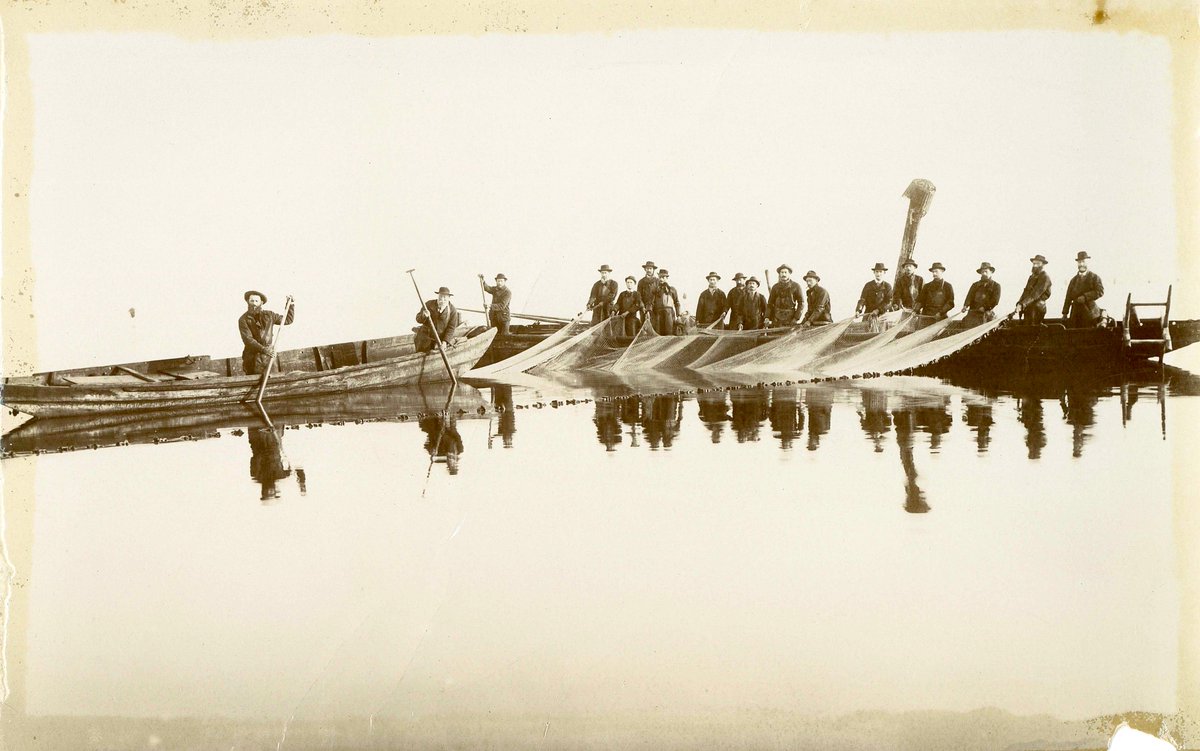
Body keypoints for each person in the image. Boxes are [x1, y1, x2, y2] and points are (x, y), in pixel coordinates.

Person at [239, 290, 295, 376]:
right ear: (247, 302)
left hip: (268, 357)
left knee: (273, 380)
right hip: (252, 358)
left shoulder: (270, 315)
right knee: (255, 381)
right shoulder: (243, 319)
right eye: (252, 301)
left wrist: (290, 305)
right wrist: (264, 350)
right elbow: (248, 340)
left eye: (256, 301)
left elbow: (287, 320)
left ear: (261, 303)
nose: (254, 303)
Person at [1062, 251, 1105, 328]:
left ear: (1087, 262)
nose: (1081, 264)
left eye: (1083, 262)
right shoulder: (1073, 280)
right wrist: (1065, 313)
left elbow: (1100, 291)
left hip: (1090, 314)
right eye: (1079, 262)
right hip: (1075, 315)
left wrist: (1085, 297)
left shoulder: (1094, 277)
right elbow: (1068, 297)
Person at [415, 286, 461, 353]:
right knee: (420, 355)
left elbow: (451, 328)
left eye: (445, 298)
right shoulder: (428, 304)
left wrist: (445, 342)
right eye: (440, 297)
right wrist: (424, 315)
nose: (442, 300)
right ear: (438, 296)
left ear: (448, 298)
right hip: (424, 339)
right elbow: (418, 319)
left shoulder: (452, 310)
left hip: (439, 342)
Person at [1014, 253, 1052, 325]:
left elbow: (1035, 294)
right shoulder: (1031, 277)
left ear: (1043, 265)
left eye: (1037, 264)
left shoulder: (1045, 277)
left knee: (1032, 329)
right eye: (1034, 264)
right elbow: (1026, 291)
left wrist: (1022, 304)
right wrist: (1019, 303)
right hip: (1029, 307)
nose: (1035, 266)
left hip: (1038, 308)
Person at [653, 268, 681, 335]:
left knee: (669, 332)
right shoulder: (655, 290)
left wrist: (678, 315)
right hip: (658, 314)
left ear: (667, 278)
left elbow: (677, 303)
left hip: (669, 314)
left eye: (663, 277)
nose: (661, 279)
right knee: (658, 333)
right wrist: (648, 311)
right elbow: (650, 302)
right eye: (660, 277)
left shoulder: (672, 289)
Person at [637, 261, 660, 331]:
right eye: (647, 268)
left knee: (655, 327)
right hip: (643, 308)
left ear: (653, 270)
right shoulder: (641, 282)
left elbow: (658, 295)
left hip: (655, 308)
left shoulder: (657, 281)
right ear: (645, 269)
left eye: (650, 268)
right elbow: (638, 296)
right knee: (644, 328)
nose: (649, 270)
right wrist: (642, 306)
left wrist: (650, 306)